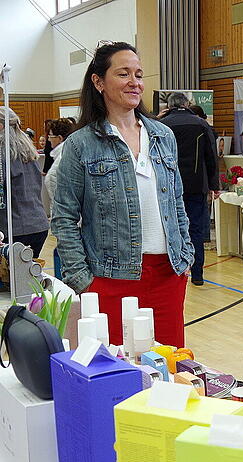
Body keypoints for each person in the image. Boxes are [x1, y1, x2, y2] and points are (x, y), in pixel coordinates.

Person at [51, 41, 193, 347]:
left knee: (169, 367)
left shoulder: (162, 135)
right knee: (118, 371)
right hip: (110, 280)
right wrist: (84, 280)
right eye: (124, 73)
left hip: (169, 275)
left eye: (139, 74)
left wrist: (187, 254)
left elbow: (176, 202)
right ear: (99, 81)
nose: (135, 82)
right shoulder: (81, 145)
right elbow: (63, 217)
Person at [160, 92, 220, 286]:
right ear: (187, 104)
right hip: (196, 185)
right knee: (195, 230)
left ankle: (173, 271)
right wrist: (214, 185)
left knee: (169, 228)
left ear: (168, 105)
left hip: (167, 186)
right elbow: (211, 157)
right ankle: (198, 274)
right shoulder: (201, 124)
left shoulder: (162, 125)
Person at [0, 107, 50, 257]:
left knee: (12, 278)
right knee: (29, 277)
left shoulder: (3, 155)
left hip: (14, 229)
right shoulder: (28, 151)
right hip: (38, 225)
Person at [43, 118, 76, 217]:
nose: (48, 139)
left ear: (60, 138)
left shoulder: (62, 161)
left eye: (51, 136)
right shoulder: (66, 155)